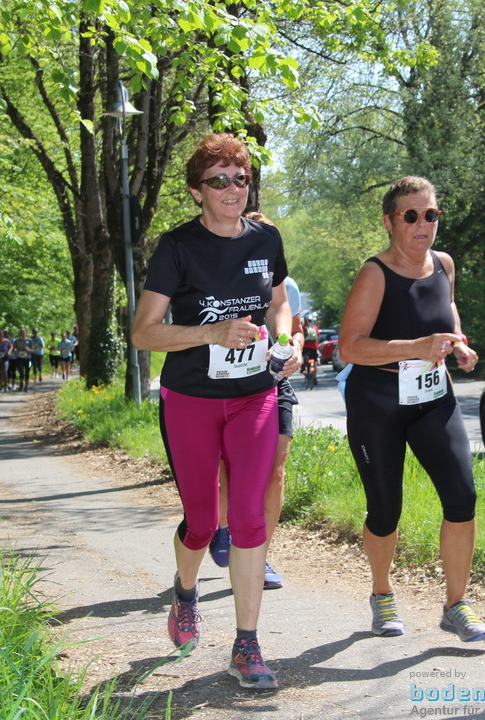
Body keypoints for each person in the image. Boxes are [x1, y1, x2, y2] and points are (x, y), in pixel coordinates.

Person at [132, 132, 299, 690]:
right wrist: (212, 333)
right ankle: (185, 593)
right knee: (203, 522)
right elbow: (143, 333)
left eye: (241, 178)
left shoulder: (266, 238)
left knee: (250, 516)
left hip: (254, 394)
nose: (233, 189)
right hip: (191, 401)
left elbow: (278, 302)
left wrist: (286, 340)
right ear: (197, 191)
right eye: (219, 180)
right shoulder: (177, 248)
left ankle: (247, 644)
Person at [336, 176, 485, 642]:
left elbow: (449, 314)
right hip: (378, 402)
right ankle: (382, 596)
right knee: (385, 510)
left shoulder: (444, 264)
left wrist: (459, 347)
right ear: (390, 221)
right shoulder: (375, 273)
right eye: (412, 215)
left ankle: (456, 605)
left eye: (431, 214)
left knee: (462, 497)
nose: (423, 224)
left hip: (432, 399)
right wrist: (417, 346)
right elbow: (350, 347)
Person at [209, 215, 302, 591]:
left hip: (274, 383)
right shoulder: (219, 277)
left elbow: (295, 327)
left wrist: (292, 347)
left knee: (276, 469)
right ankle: (224, 528)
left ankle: (260, 554)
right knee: (231, 468)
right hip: (229, 385)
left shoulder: (285, 285)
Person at [14, 326, 34, 392]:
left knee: (27, 373)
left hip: (28, 358)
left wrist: (28, 349)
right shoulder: (17, 340)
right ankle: (21, 383)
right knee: (21, 372)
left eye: (24, 332)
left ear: (26, 333)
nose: (23, 333)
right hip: (20, 358)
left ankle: (26, 387)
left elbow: (33, 350)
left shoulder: (30, 340)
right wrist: (16, 353)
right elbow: (14, 348)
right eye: (21, 332)